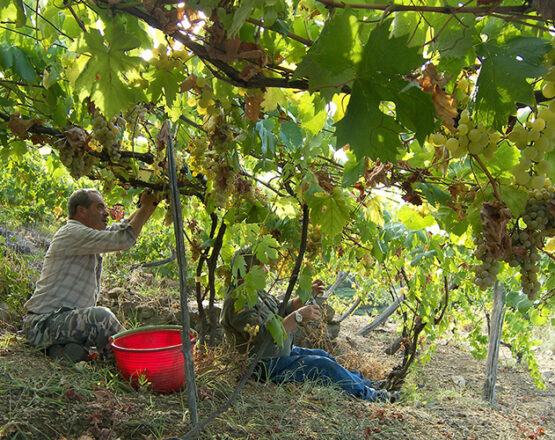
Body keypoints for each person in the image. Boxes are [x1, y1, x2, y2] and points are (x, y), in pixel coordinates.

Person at [220, 249, 399, 403]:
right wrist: (298, 317)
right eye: (262, 267)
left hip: (278, 355)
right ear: (247, 271)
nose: (267, 271)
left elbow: (280, 310)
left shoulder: (255, 291)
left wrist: (304, 296)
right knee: (323, 365)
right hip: (263, 367)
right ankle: (372, 396)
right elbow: (264, 336)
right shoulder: (239, 300)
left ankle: (365, 383)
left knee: (322, 355)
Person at [22, 188, 160, 362]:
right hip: (43, 324)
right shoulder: (72, 233)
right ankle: (141, 363)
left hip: (58, 323)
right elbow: (125, 238)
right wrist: (146, 205)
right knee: (100, 317)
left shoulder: (86, 236)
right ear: (82, 211)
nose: (106, 214)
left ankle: (65, 350)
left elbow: (123, 229)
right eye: (99, 208)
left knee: (87, 341)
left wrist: (149, 206)